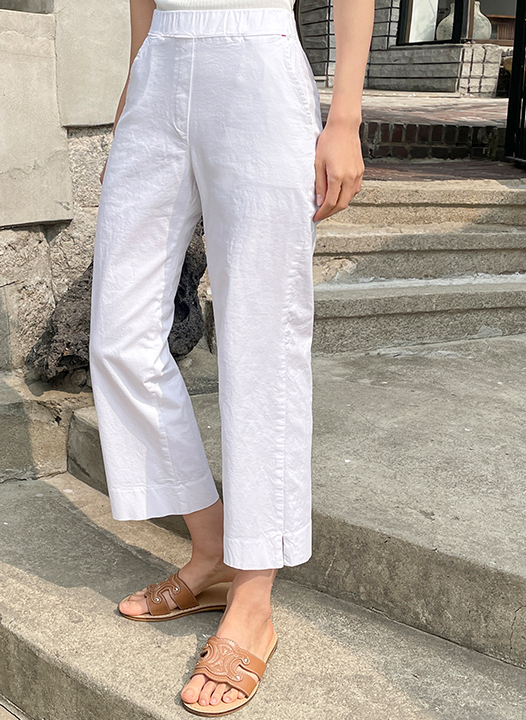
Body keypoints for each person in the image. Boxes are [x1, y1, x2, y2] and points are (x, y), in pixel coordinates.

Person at [89, 0, 373, 714]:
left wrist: (344, 119)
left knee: (261, 340)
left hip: (256, 54)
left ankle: (253, 598)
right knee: (119, 337)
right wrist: (134, 84)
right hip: (157, 68)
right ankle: (212, 547)